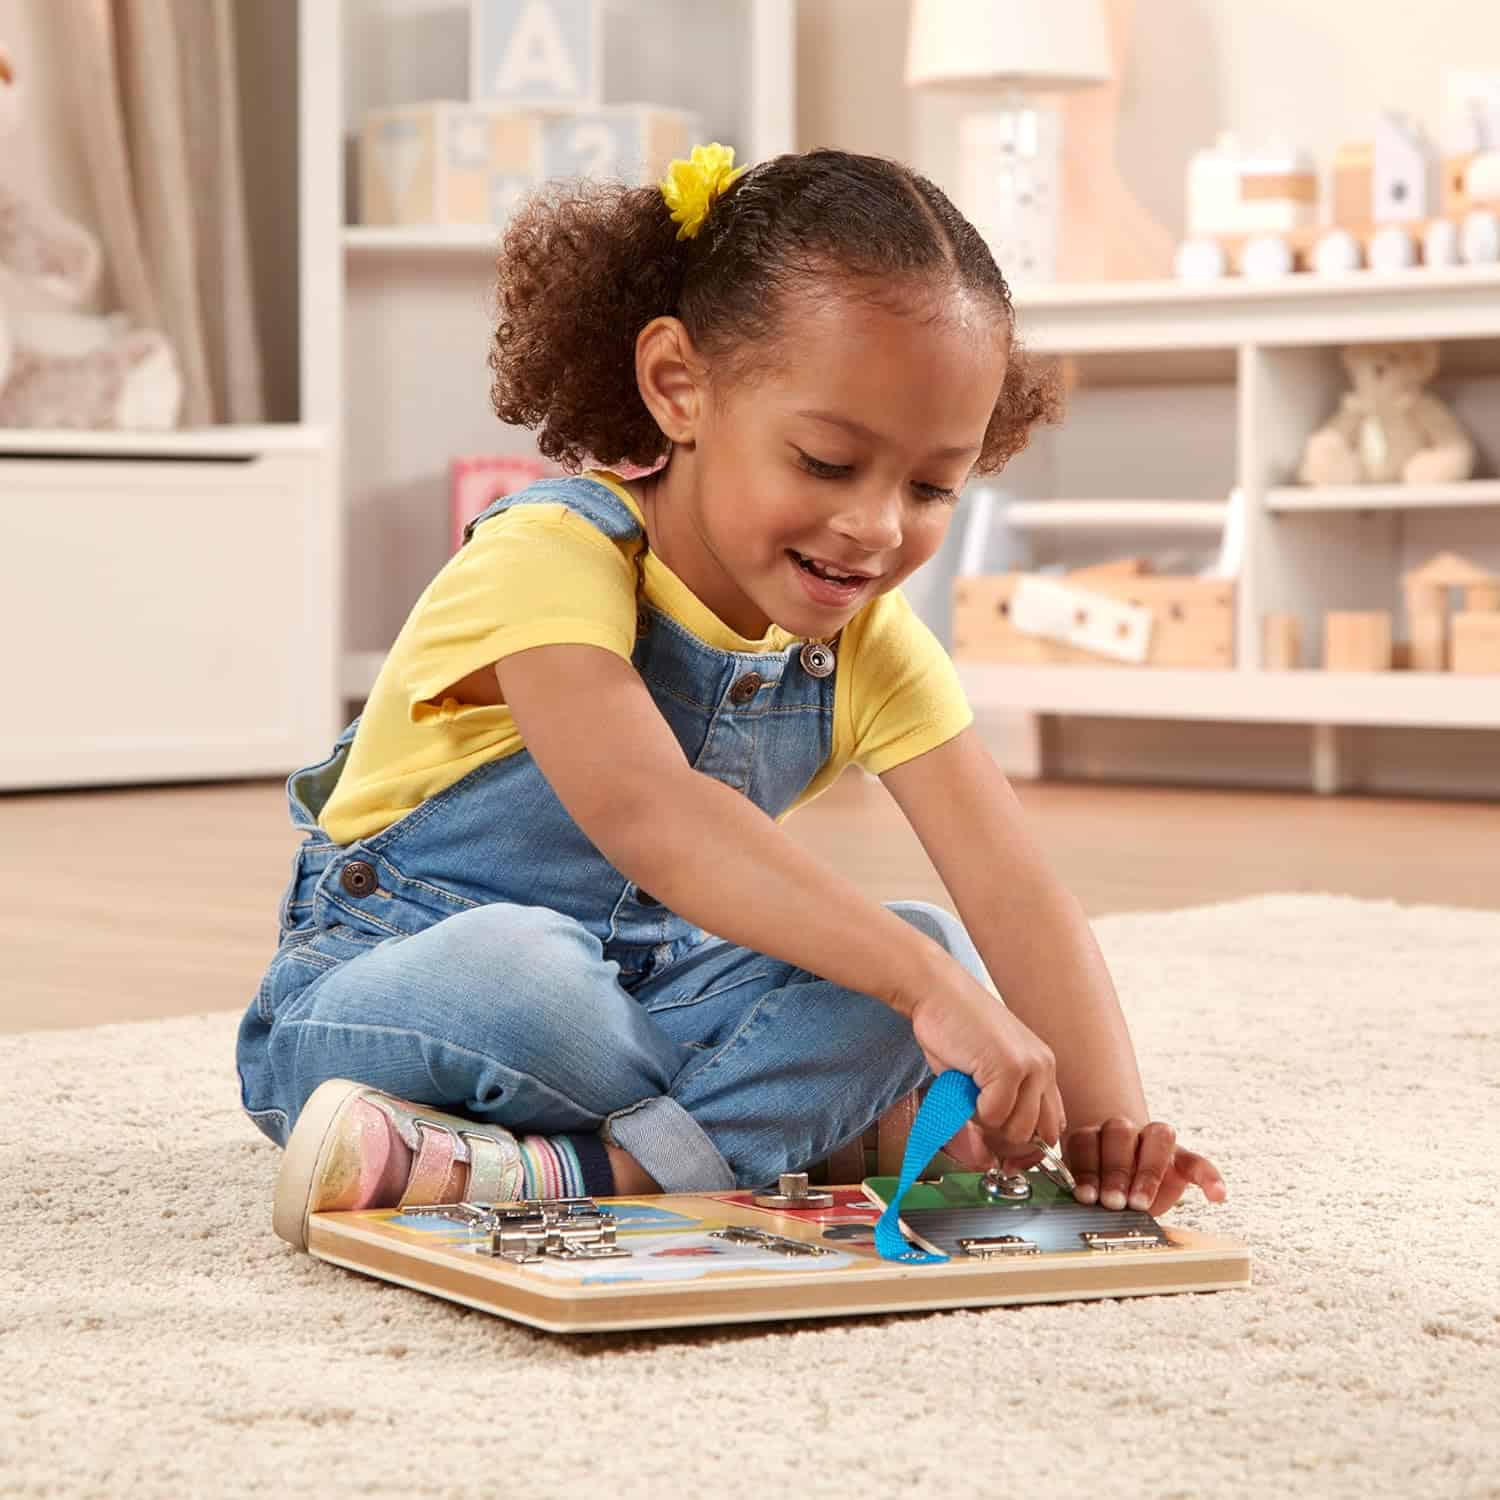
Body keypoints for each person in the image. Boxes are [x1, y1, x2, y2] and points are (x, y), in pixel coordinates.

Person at [236, 145, 1227, 1250]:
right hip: (397, 995)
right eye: (826, 462)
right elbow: (658, 821)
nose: (879, 527)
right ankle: (778, 1133)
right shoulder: (551, 556)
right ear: (679, 386)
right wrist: (927, 997)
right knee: (533, 975)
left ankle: (570, 1168)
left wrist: (1110, 1125)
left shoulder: (871, 645)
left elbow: (1016, 894)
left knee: (926, 943)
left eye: (933, 486)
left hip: (653, 1003)